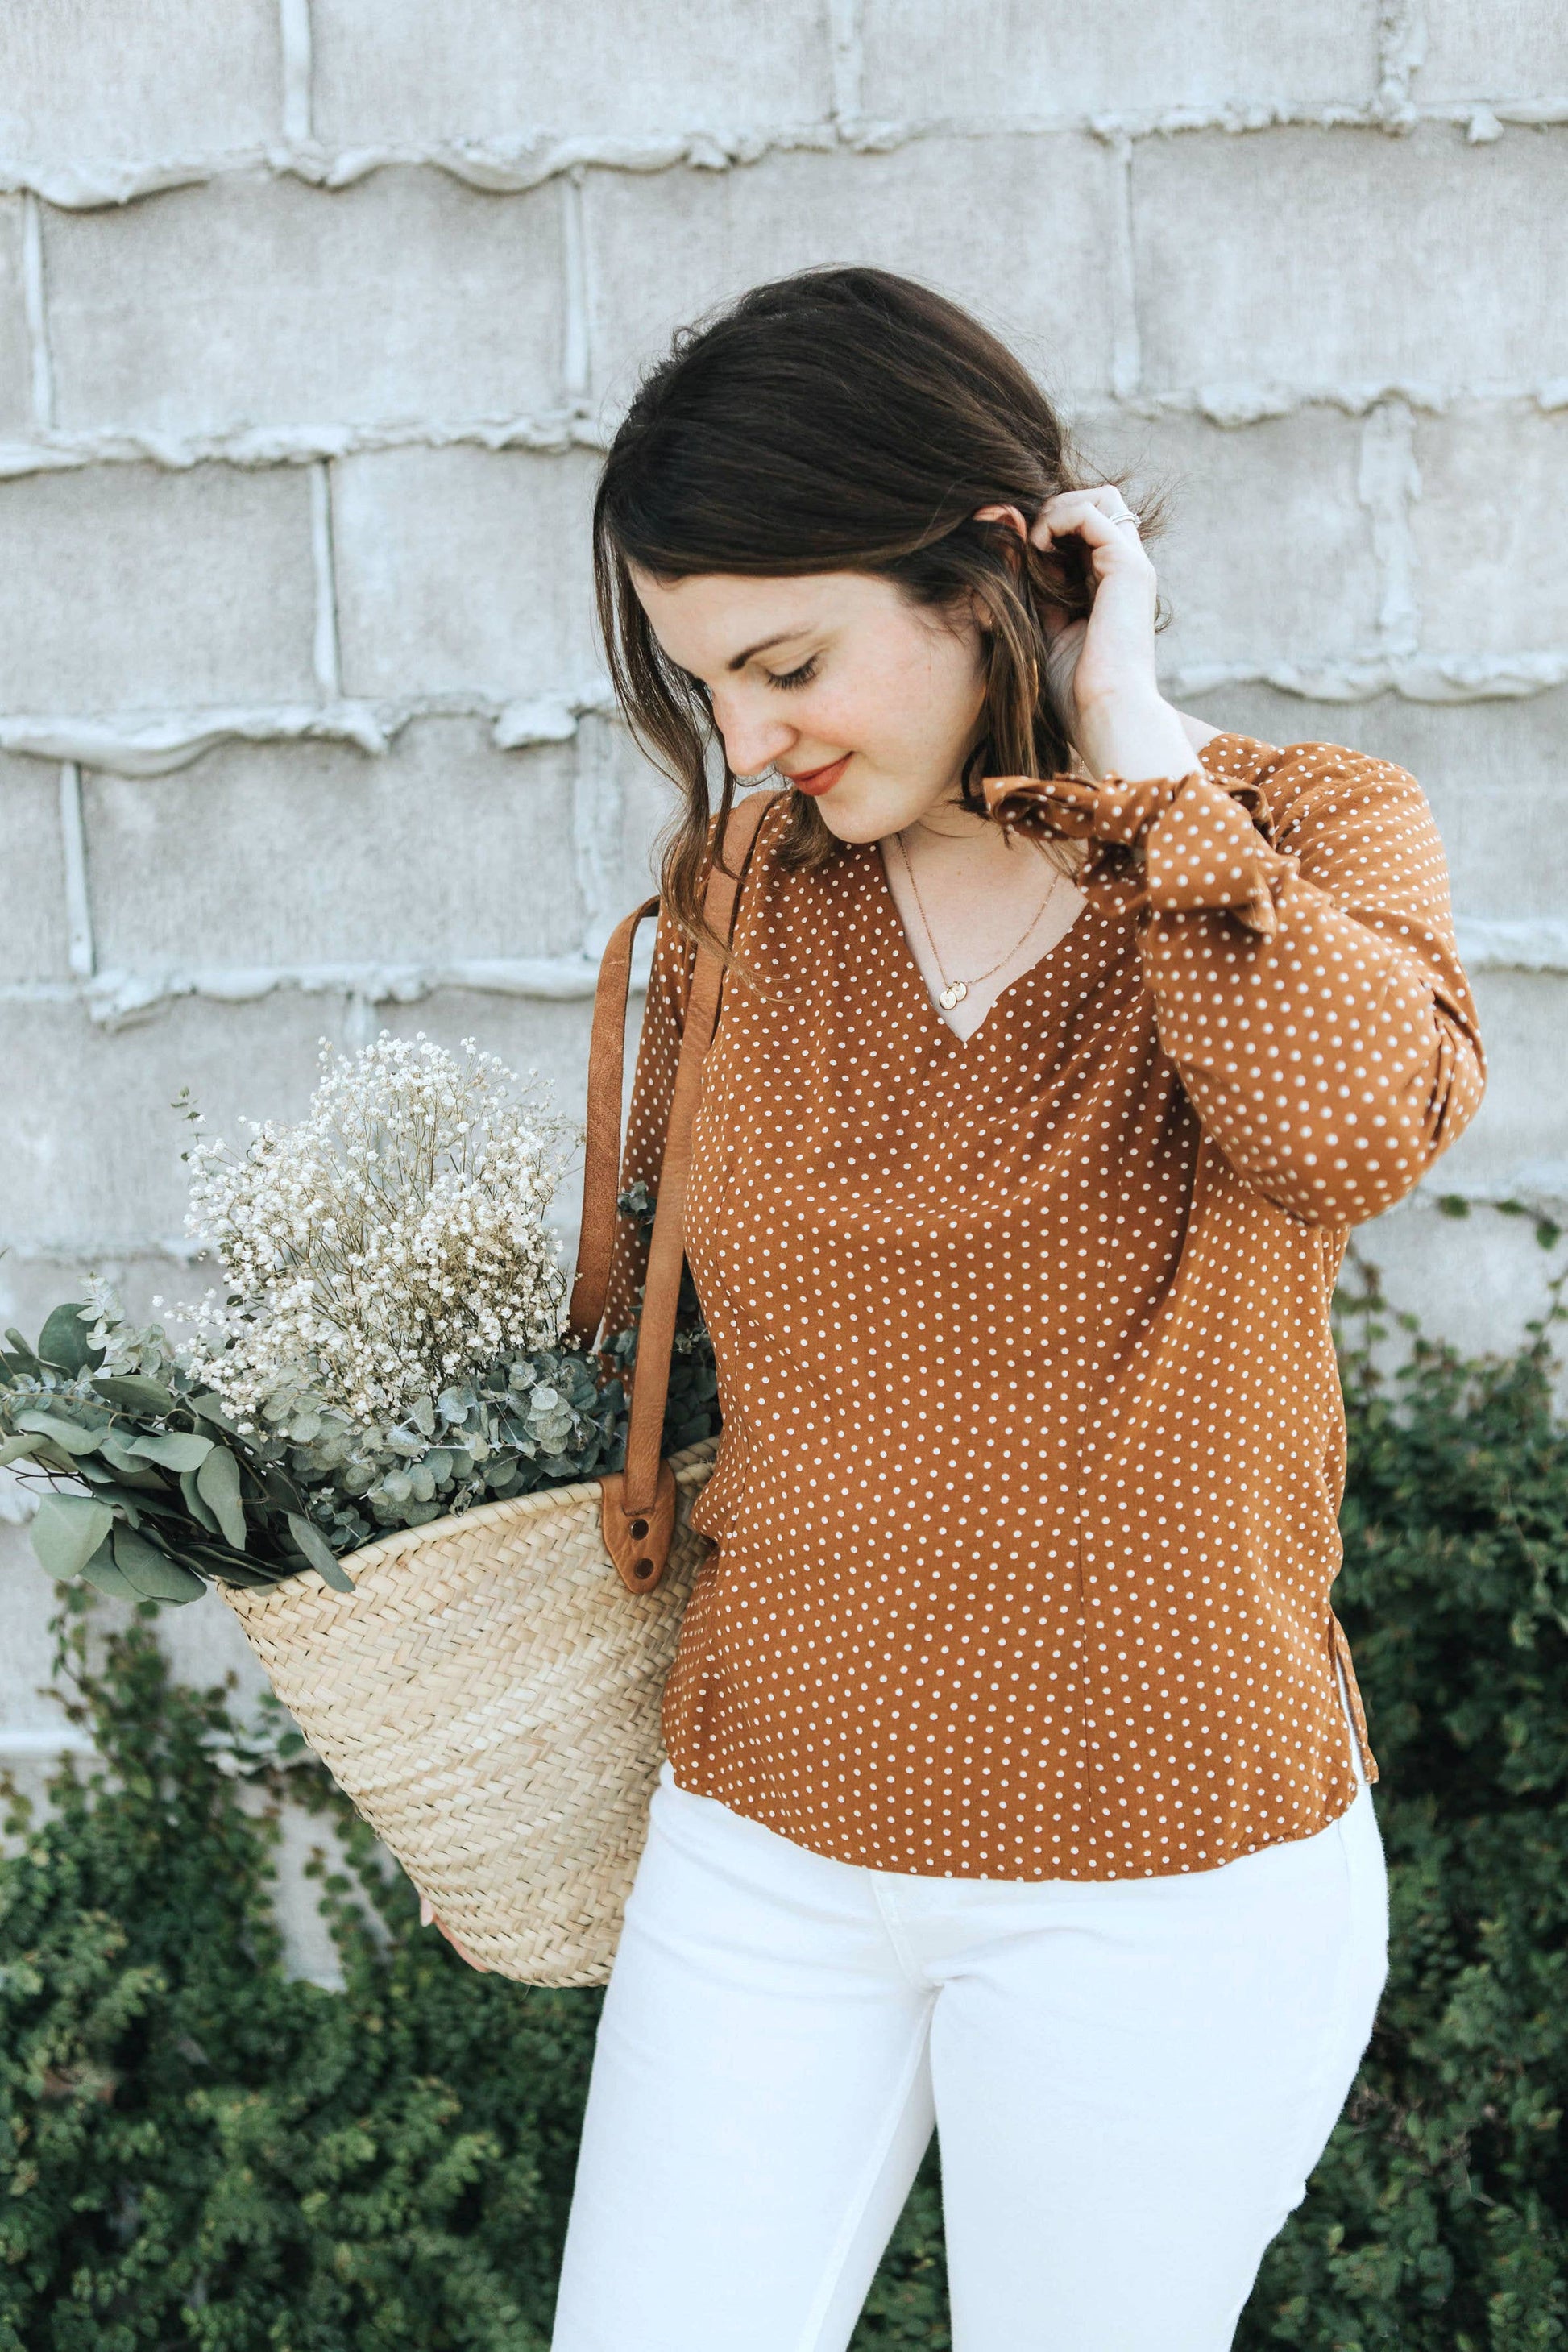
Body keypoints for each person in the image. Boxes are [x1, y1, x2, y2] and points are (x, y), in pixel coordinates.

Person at [453, 264, 1488, 2348]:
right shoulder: (746, 897)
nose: (750, 741)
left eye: (788, 662)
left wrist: (1130, 747)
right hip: (763, 1844)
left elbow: (1350, 1133)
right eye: (707, 687)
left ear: (990, 567)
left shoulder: (1294, 835)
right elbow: (686, 1333)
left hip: (1158, 1877)